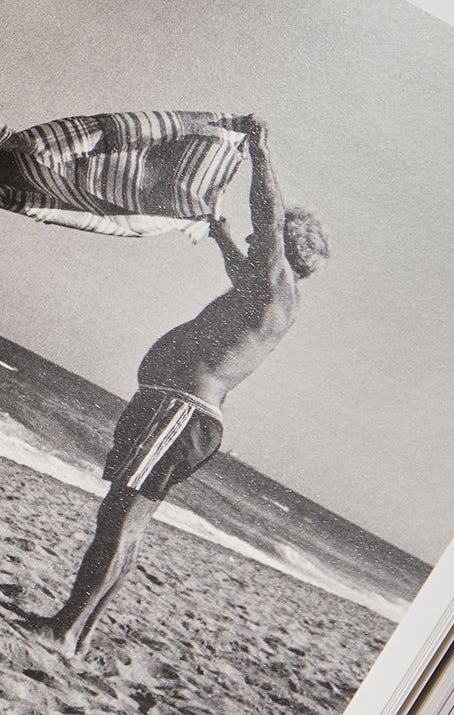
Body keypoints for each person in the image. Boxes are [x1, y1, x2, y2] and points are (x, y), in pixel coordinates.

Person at [27, 115, 329, 654]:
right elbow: (243, 264)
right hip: (185, 415)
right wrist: (219, 232)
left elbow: (268, 216)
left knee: (118, 520)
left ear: (283, 245)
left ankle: (65, 630)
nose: (255, 240)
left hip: (179, 411)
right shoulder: (271, 293)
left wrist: (260, 153)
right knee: (129, 524)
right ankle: (80, 633)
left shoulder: (275, 280)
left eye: (264, 238)